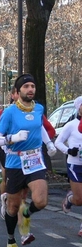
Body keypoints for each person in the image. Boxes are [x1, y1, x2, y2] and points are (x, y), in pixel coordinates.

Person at [0, 74, 49, 247]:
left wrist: (50, 143)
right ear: (18, 91)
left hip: (35, 161)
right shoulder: (9, 112)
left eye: (32, 86)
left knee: (41, 201)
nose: (30, 89)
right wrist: (12, 138)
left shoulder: (39, 108)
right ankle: (10, 239)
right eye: (26, 87)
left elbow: (40, 127)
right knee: (12, 206)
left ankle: (26, 214)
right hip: (15, 162)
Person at [55, 96, 82, 237]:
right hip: (75, 165)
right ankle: (70, 199)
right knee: (79, 199)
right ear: (79, 108)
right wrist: (68, 150)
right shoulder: (71, 125)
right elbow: (58, 142)